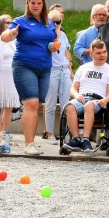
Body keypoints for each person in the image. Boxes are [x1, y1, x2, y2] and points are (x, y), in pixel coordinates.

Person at [2, 0, 59, 155]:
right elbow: (5, 36)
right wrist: (11, 33)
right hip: (24, 65)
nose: (35, 6)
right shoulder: (21, 21)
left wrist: (53, 46)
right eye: (32, 3)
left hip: (45, 68)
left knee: (37, 105)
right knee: (31, 103)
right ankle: (29, 144)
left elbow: (51, 42)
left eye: (39, 3)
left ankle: (31, 141)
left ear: (43, 5)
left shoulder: (49, 23)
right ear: (27, 4)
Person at [62, 39, 109, 153]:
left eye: (104, 52)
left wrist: (105, 100)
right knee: (69, 106)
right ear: (91, 54)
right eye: (98, 53)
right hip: (81, 97)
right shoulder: (83, 68)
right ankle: (76, 139)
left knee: (89, 105)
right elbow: (73, 88)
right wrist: (76, 95)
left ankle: (86, 140)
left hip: (97, 100)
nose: (102, 55)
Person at [43, 9, 74, 141]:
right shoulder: (45, 35)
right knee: (50, 103)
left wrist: (70, 70)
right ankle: (49, 133)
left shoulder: (64, 35)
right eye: (52, 21)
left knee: (66, 103)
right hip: (51, 70)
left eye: (58, 21)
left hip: (64, 70)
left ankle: (66, 133)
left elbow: (66, 52)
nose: (56, 24)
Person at [0, 14, 17, 152]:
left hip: (12, 75)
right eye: (7, 22)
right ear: (1, 24)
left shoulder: (14, 40)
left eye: (11, 22)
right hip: (0, 74)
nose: (10, 24)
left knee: (9, 106)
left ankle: (5, 133)